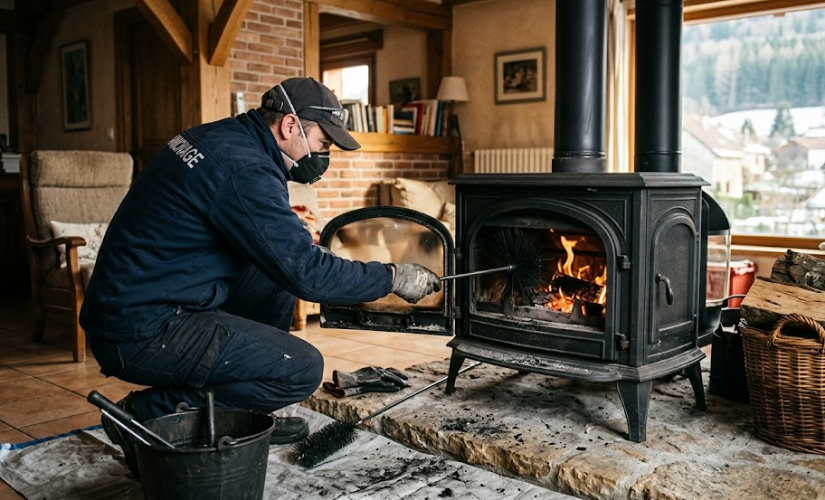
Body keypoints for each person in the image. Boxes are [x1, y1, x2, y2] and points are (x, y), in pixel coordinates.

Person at [79, 77, 442, 476]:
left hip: (139, 299)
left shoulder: (222, 138)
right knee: (299, 369)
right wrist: (391, 277)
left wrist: (303, 256)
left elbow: (281, 257)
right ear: (290, 126)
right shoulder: (246, 169)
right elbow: (307, 276)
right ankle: (143, 415)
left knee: (274, 276)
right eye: (324, 142)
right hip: (139, 330)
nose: (325, 153)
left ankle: (246, 407)